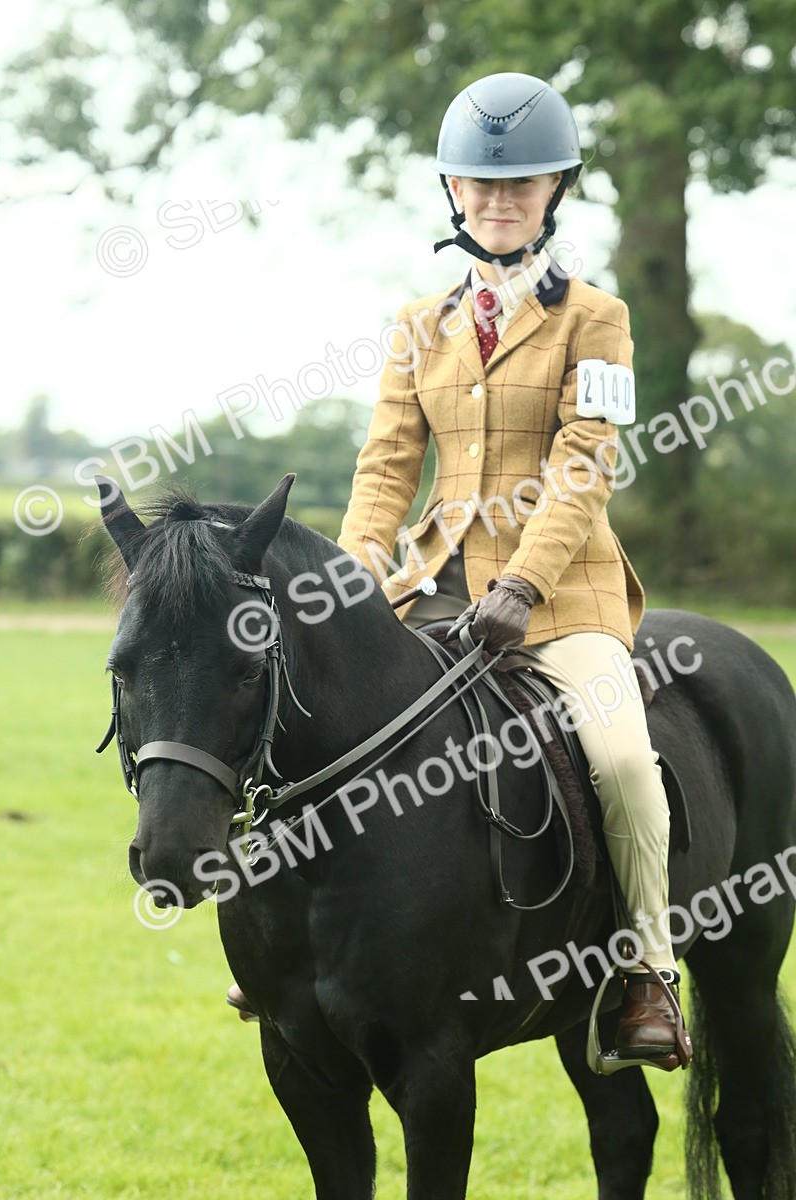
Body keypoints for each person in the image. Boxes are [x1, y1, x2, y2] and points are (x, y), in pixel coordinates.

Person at [331, 70, 690, 1066]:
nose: (499, 200)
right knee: (314, 716)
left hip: (560, 597)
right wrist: (360, 572)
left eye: (521, 184)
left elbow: (584, 468)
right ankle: (291, 946)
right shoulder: (415, 325)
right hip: (434, 586)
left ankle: (646, 977)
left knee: (621, 759)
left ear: (554, 190)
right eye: (482, 185)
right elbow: (387, 466)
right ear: (452, 190)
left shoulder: (596, 317)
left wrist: (522, 585)